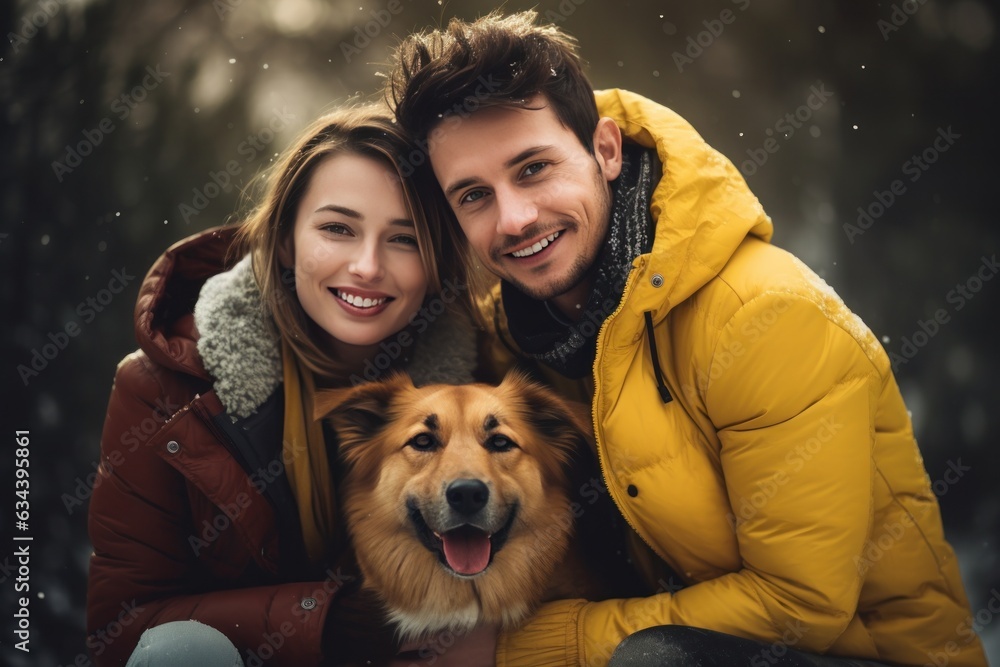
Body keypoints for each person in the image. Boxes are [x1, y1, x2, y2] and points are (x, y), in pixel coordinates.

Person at [384, 11, 988, 667]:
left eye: (533, 168)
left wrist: (521, 649)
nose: (515, 218)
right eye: (474, 195)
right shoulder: (520, 338)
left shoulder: (763, 316)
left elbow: (800, 605)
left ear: (606, 151)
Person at [85, 104, 480, 666]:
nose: (367, 266)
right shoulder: (164, 392)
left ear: (438, 260)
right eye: (337, 228)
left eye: (406, 239)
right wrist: (321, 621)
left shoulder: (485, 387)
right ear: (287, 240)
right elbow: (120, 630)